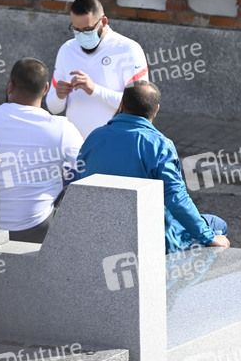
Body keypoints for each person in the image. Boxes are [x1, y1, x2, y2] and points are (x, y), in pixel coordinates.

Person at [77, 81, 231, 254]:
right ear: (156, 110)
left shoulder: (93, 137)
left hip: (99, 232)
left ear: (122, 105)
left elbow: (77, 183)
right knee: (217, 224)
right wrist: (209, 237)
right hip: (150, 238)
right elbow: (176, 198)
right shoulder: (160, 145)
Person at [0, 59, 83, 243]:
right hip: (36, 226)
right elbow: (85, 168)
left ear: (10, 86)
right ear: (46, 88)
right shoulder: (62, 128)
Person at [45, 0, 149, 139]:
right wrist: (59, 96)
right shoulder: (67, 49)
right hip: (75, 144)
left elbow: (138, 107)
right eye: (76, 30)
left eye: (87, 29)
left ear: (103, 22)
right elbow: (53, 108)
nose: (81, 35)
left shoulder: (128, 49)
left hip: (114, 142)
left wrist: (95, 90)